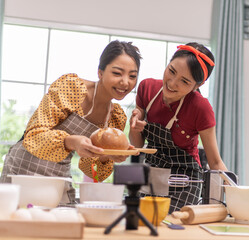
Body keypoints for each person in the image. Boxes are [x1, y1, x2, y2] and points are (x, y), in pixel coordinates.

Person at [0, 40, 141, 204]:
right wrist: (71, 141)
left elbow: (90, 169)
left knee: (62, 225)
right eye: (117, 73)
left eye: (132, 76)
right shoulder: (71, 88)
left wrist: (106, 156)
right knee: (18, 223)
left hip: (59, 174)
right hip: (24, 167)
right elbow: (34, 135)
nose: (125, 82)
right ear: (100, 72)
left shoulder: (115, 118)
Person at [129, 42, 228, 212]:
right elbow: (137, 146)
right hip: (152, 174)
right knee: (144, 223)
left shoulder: (201, 108)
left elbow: (215, 161)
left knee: (172, 225)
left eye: (184, 81)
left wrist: (241, 198)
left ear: (197, 86)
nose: (172, 83)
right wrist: (134, 124)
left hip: (184, 181)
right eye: (172, 71)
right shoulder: (147, 88)